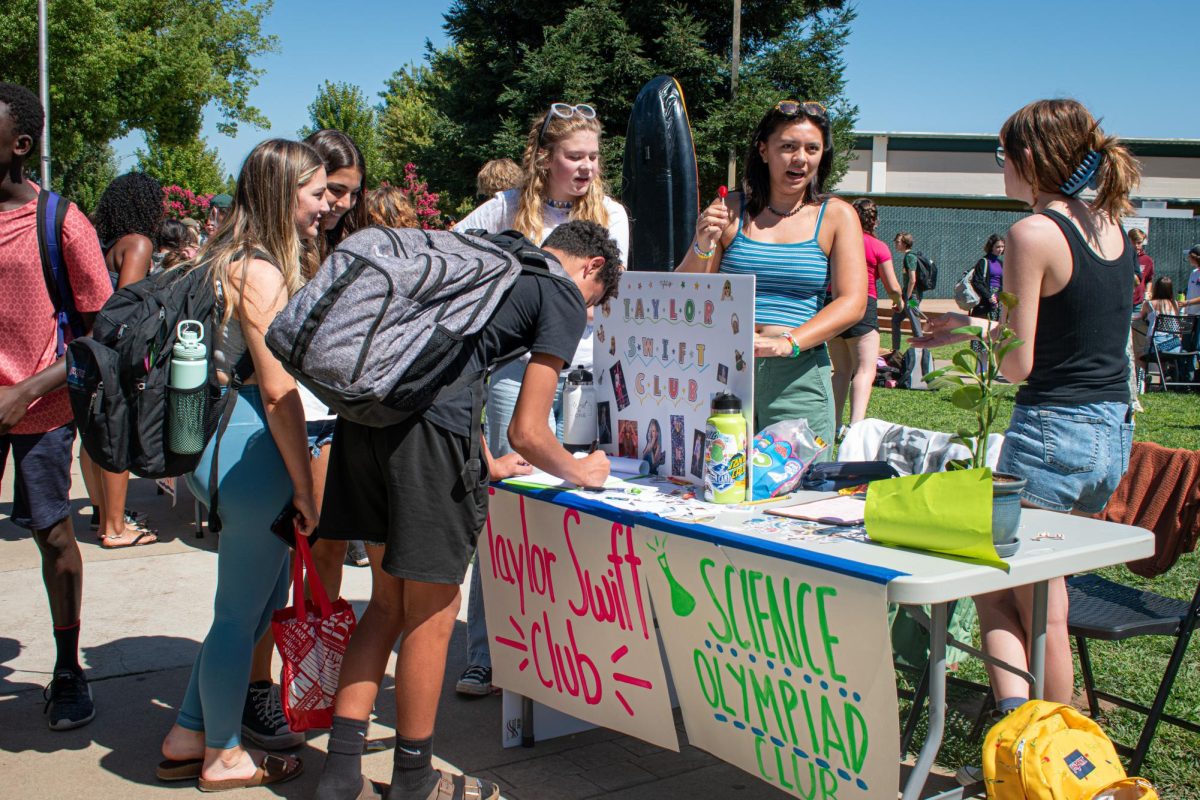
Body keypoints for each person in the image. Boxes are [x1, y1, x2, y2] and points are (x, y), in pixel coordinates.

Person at [312, 220, 621, 800]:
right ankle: (413, 778)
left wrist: (482, 461)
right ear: (592, 268)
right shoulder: (559, 292)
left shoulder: (493, 257)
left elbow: (453, 366)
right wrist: (583, 471)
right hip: (426, 436)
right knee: (433, 607)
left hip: (366, 421)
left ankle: (339, 773)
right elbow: (529, 431)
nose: (586, 311)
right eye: (595, 301)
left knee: (385, 603)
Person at [911, 99, 1140, 785]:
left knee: (1025, 597)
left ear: (1030, 160)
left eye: (1002, 156)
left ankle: (1043, 758)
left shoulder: (1033, 231)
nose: (1000, 169)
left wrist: (962, 332)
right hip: (1109, 434)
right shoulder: (1109, 224)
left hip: (1050, 432)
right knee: (1032, 593)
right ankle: (1036, 742)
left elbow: (1019, 363)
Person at [158, 139, 328, 791]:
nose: (323, 207)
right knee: (239, 613)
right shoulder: (259, 271)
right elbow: (281, 392)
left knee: (252, 609)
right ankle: (224, 752)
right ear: (285, 194)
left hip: (218, 440)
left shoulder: (223, 255)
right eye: (315, 194)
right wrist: (308, 489)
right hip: (248, 444)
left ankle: (188, 731)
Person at [451, 103, 630, 697]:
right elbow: (450, 260)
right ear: (545, 158)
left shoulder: (610, 215)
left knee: (577, 508)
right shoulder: (503, 209)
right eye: (574, 156)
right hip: (511, 375)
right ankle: (486, 653)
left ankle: (564, 651)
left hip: (586, 377)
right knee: (505, 511)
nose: (586, 168)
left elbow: (616, 295)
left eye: (594, 157)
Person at [238, 129, 371, 753]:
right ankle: (262, 690)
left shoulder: (330, 241)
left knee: (322, 561)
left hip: (329, 420)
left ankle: (311, 683)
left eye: (347, 193)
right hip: (296, 424)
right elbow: (275, 381)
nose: (338, 203)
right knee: (280, 571)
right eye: (328, 191)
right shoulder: (271, 258)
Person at [0, 81, 113, 731]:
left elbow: (100, 336)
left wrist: (26, 391)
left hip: (41, 411)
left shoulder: (60, 222)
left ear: (20, 144)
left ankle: (69, 668)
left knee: (53, 534)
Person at [678, 99, 867, 450]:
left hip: (798, 376)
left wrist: (788, 343)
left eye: (812, 148)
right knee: (720, 480)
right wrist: (703, 242)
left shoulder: (837, 215)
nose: (801, 158)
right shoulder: (730, 210)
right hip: (726, 373)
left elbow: (853, 302)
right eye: (788, 147)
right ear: (764, 151)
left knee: (798, 490)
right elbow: (686, 292)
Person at [78, 172, 165, 549]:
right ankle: (116, 527)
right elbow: (126, 308)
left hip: (89, 349)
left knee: (94, 435)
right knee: (119, 434)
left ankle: (102, 512)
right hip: (116, 354)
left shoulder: (106, 243)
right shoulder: (139, 244)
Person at [827, 198, 902, 434]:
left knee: (840, 371)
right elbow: (893, 286)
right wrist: (899, 301)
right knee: (865, 370)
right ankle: (855, 427)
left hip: (833, 305)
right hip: (862, 302)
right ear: (875, 221)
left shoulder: (836, 243)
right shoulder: (878, 247)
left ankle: (834, 424)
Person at [967, 234, 1006, 373]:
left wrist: (997, 296)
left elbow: (1002, 283)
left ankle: (989, 368)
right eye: (997, 247)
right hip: (984, 304)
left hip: (997, 304)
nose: (1000, 249)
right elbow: (977, 281)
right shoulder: (983, 262)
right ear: (991, 247)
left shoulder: (1001, 263)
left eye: (1002, 246)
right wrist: (989, 296)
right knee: (981, 335)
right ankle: (980, 369)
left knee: (994, 336)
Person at [1128, 227, 1153, 309]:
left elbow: (1149, 279)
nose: (1136, 246)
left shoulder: (1147, 260)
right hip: (1124, 300)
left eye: (1139, 243)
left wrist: (1148, 293)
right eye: (1133, 242)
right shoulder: (1123, 257)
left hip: (1139, 303)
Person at [1179, 245, 1200, 317]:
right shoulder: (1194, 272)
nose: (1188, 258)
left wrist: (1187, 303)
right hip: (1191, 313)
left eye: (1190, 256)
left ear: (1196, 258)